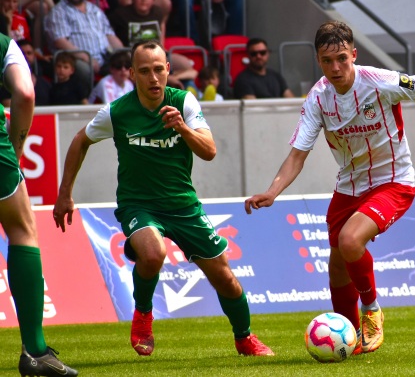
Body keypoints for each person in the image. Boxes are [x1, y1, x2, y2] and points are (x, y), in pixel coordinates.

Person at [245, 21, 415, 355]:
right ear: (318, 61)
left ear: (354, 54)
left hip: (393, 181)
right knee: (337, 264)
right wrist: (272, 191)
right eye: (327, 61)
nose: (335, 67)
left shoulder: (380, 82)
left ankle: (372, 311)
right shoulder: (318, 99)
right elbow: (297, 155)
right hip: (349, 186)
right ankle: (347, 339)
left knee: (350, 241)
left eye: (342, 58)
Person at [53, 40, 274, 358]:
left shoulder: (184, 102)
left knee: (226, 279)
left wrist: (182, 128)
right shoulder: (117, 112)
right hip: (138, 205)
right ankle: (143, 315)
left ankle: (245, 339)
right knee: (153, 253)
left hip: (182, 205)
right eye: (144, 71)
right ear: (132, 74)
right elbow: (79, 140)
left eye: (159, 69)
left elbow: (209, 151)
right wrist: (64, 195)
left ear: (168, 69)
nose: (153, 77)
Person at [0, 33, 78, 375]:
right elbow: (26, 93)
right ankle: (35, 351)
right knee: (22, 231)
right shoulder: (3, 43)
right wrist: (15, 151)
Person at [108, 0, 196, 87]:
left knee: (187, 65)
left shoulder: (158, 12)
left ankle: (177, 84)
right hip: (133, 57)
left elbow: (162, 27)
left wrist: (162, 47)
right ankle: (168, 80)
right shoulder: (120, 14)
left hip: (156, 54)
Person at [45, 0, 123, 88]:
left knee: (127, 64)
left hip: (104, 56)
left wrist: (123, 54)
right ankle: (87, 103)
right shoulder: (58, 11)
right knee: (84, 70)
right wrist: (87, 58)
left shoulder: (95, 9)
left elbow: (109, 35)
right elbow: (60, 41)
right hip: (76, 59)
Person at [0, 38, 50, 107]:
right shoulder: (7, 83)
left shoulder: (45, 84)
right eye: (22, 53)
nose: (26, 56)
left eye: (29, 53)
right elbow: (8, 107)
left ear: (34, 56)